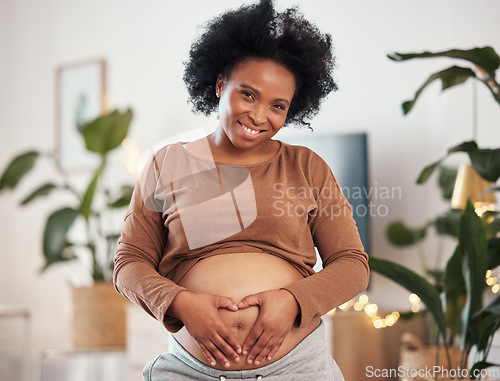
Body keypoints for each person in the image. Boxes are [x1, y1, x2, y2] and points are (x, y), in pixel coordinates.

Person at [113, 0, 369, 380]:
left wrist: (292, 301)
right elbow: (128, 263)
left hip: (298, 368)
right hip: (189, 371)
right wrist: (181, 303)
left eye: (278, 105)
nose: (259, 116)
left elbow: (353, 265)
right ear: (220, 85)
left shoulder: (307, 167)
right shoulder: (166, 163)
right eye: (248, 94)